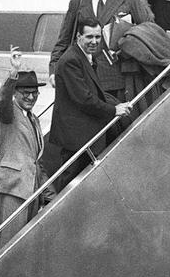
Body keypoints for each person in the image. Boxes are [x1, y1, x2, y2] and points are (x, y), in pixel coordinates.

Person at [49, 0, 152, 101]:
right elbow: (63, 41)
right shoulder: (77, 3)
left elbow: (149, 32)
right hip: (83, 78)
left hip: (120, 80)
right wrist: (53, 70)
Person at [50, 20, 132, 186]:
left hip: (83, 131)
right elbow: (84, 98)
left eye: (97, 37)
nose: (94, 41)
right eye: (89, 37)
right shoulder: (71, 60)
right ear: (79, 36)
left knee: (78, 178)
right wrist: (113, 110)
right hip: (77, 134)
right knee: (71, 179)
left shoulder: (84, 56)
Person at [0, 57, 50, 242]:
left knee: (24, 245)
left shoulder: (33, 119)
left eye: (34, 93)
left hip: (32, 191)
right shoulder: (8, 114)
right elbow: (2, 101)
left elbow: (36, 160)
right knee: (10, 244)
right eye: (25, 92)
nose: (31, 97)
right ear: (15, 93)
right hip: (12, 189)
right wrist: (13, 74)